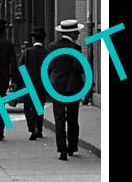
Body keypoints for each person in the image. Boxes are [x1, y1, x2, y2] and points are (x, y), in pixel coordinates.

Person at [48, 20, 86, 160]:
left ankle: (62, 151)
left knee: (59, 119)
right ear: (70, 32)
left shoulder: (52, 47)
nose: (78, 33)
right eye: (76, 31)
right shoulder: (75, 49)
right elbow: (78, 68)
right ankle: (72, 148)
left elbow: (49, 66)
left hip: (56, 87)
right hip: (72, 87)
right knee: (72, 118)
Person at [13, 28, 50, 140]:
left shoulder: (28, 52)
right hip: (42, 85)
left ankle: (32, 127)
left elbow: (20, 68)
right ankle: (39, 128)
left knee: (29, 106)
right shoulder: (46, 53)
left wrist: (18, 84)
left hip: (29, 85)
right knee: (39, 106)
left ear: (33, 39)